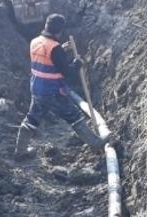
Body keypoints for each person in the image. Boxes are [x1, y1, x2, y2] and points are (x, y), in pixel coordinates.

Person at [15, 14, 104, 158]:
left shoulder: (36, 41)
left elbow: (47, 57)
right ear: (59, 31)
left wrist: (62, 49)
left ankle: (20, 151)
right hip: (53, 91)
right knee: (74, 116)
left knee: (32, 119)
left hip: (37, 88)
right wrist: (77, 63)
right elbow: (67, 72)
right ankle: (95, 143)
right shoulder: (55, 48)